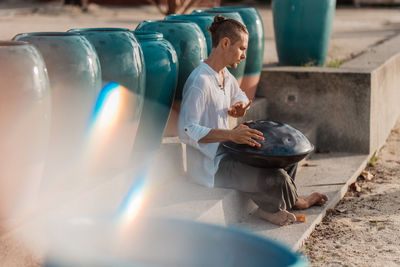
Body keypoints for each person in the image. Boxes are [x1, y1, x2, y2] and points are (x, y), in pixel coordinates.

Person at [178, 15, 328, 226]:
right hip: (211, 167)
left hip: (228, 153)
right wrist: (231, 134)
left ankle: (289, 200)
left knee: (286, 156)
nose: (244, 55)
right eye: (242, 48)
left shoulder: (224, 75)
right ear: (225, 43)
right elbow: (186, 130)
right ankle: (274, 208)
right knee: (276, 178)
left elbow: (238, 96)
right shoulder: (199, 82)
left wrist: (239, 107)